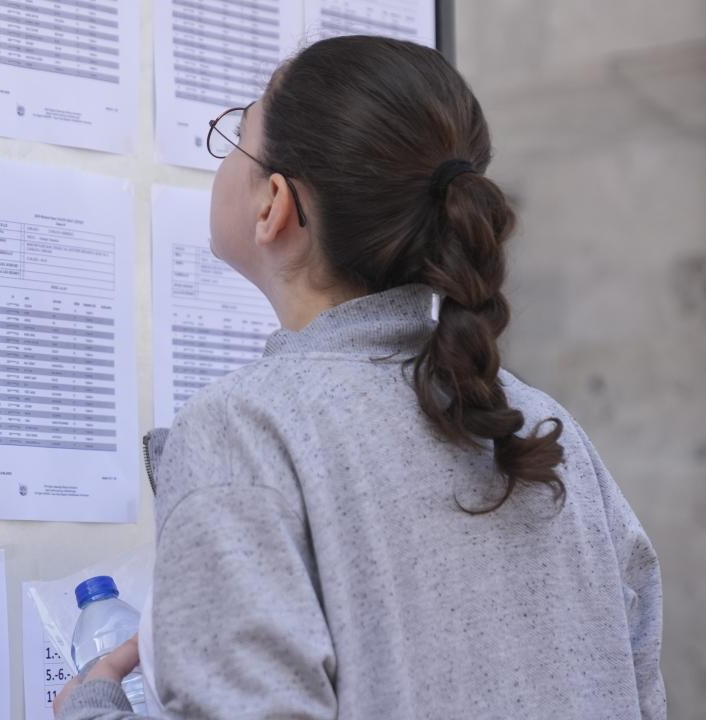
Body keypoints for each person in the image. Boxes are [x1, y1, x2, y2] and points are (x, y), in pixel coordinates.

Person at [54, 35, 665, 720]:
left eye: (237, 135)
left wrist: (89, 708)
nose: (223, 156)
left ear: (273, 205)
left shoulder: (243, 431)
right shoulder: (548, 431)